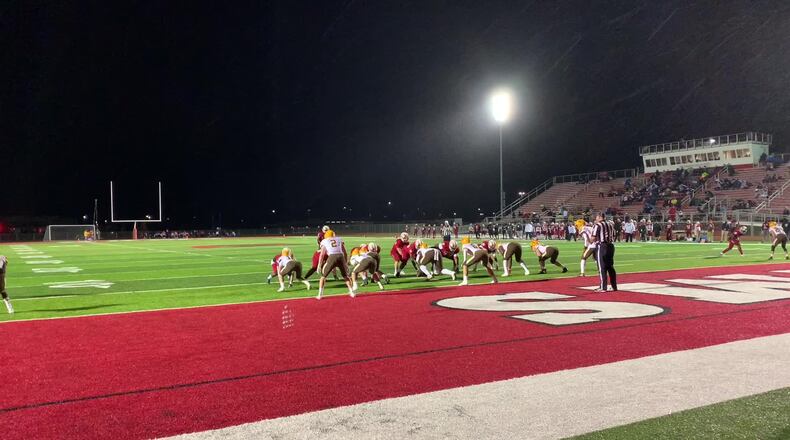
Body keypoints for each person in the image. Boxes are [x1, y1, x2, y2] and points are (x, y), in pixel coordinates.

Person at [316, 230, 355, 299]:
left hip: (332, 257)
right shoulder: (339, 239)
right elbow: (345, 252)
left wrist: (319, 265)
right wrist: (345, 263)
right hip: (341, 256)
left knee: (323, 276)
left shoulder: (324, 241)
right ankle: (352, 292)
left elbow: (322, 254)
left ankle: (320, 294)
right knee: (345, 276)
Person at [590, 213, 617, 292]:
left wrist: (588, 239)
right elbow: (614, 234)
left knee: (602, 267)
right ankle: (614, 286)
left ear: (599, 217)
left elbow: (593, 238)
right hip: (611, 246)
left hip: (602, 246)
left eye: (596, 217)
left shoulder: (597, 225)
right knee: (610, 267)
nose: (596, 219)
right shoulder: (610, 224)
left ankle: (603, 287)